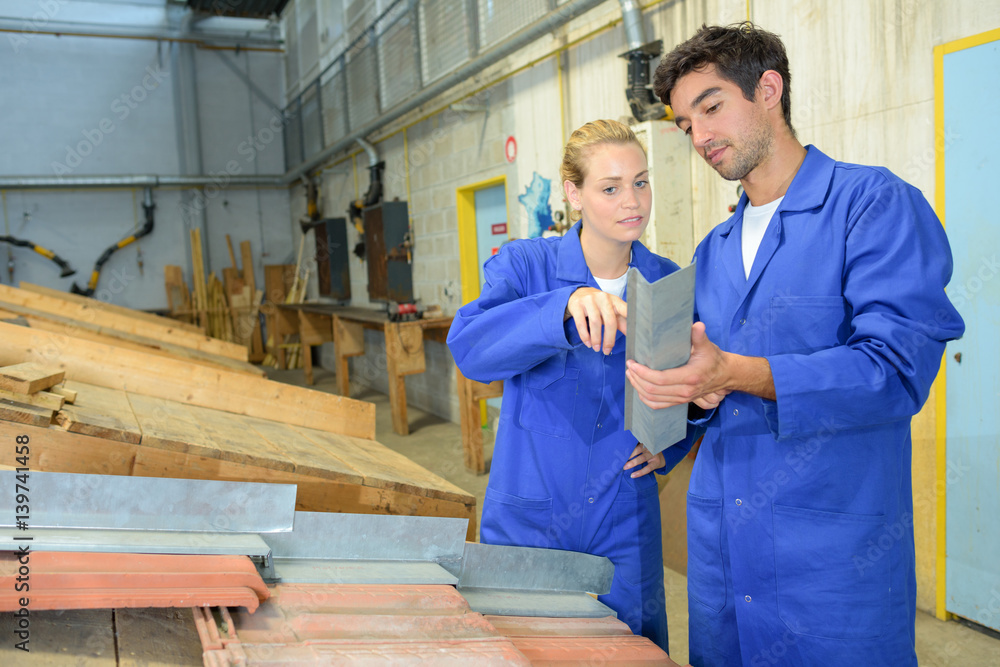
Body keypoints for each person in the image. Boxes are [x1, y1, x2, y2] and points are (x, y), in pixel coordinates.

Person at [623, 22, 965, 666]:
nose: (699, 137)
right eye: (684, 124)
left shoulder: (872, 206)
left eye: (712, 107)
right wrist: (685, 401)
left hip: (832, 564)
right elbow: (710, 379)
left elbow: (896, 371)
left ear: (769, 90)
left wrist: (737, 371)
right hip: (725, 558)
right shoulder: (714, 251)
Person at [447, 119, 703, 651]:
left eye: (641, 181)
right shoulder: (525, 267)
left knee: (632, 648)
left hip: (624, 513)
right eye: (610, 188)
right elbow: (470, 349)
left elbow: (693, 380)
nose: (632, 201)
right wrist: (559, 308)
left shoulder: (667, 282)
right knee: (528, 648)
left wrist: (674, 441)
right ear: (574, 193)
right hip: (530, 514)